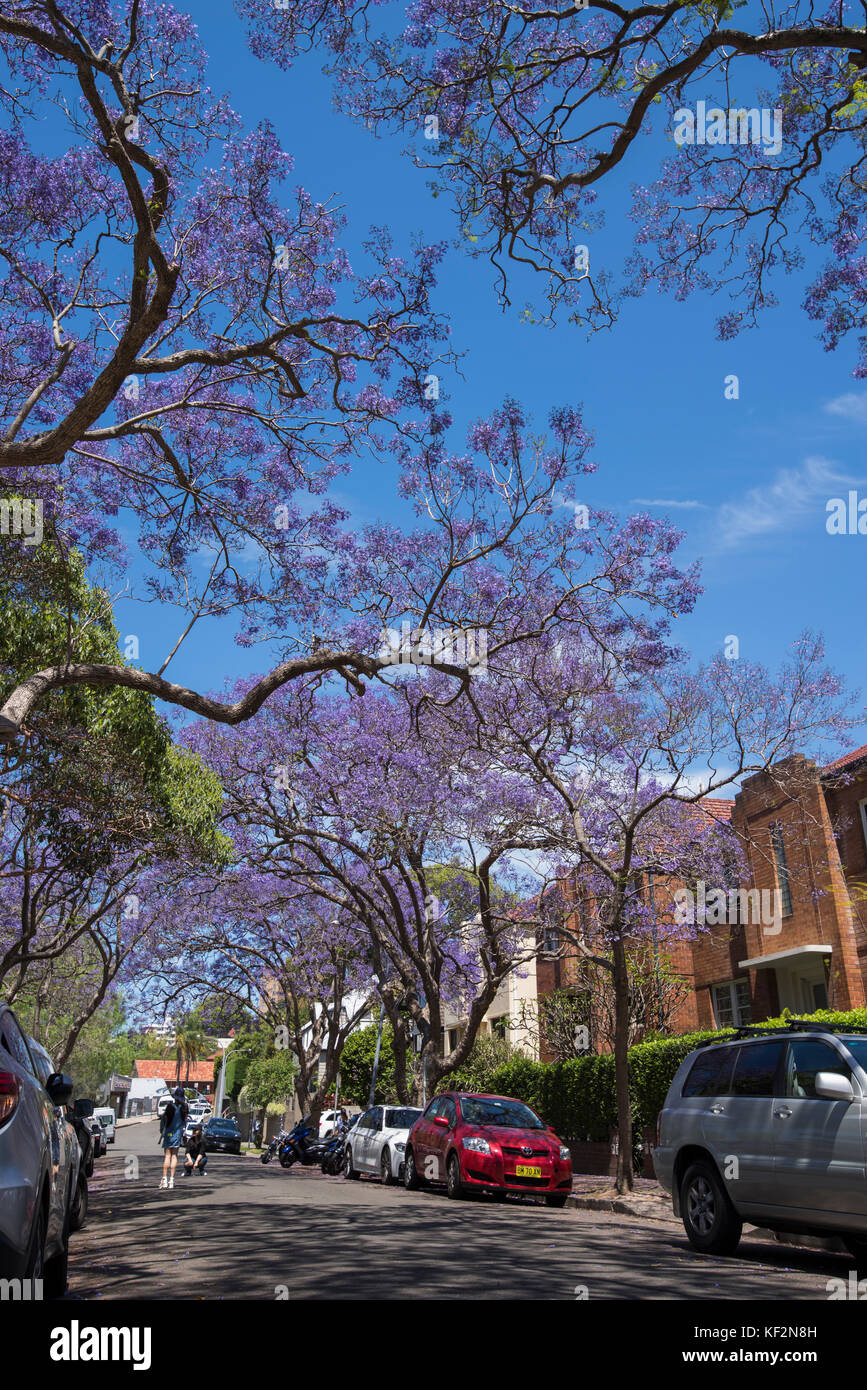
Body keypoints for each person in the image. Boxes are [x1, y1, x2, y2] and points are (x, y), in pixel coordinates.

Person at [158, 1087, 188, 1190]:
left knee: (167, 1156)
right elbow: (185, 1121)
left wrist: (162, 1130)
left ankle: (164, 1179)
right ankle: (172, 1179)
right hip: (178, 1133)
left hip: (169, 1133)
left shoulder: (170, 1107)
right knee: (174, 1156)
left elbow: (165, 1120)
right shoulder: (184, 1108)